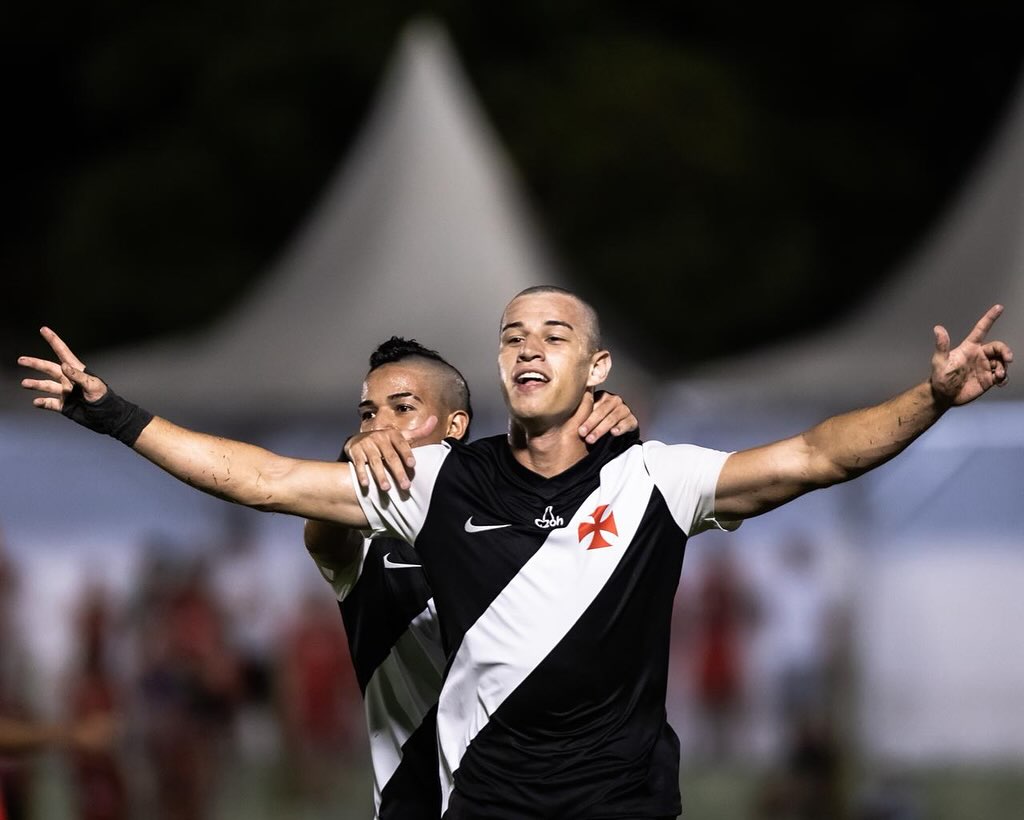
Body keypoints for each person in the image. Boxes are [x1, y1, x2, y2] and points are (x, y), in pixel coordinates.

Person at [18, 287, 1012, 819]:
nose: (529, 346)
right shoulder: (436, 484)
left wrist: (929, 398)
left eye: (554, 333)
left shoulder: (653, 476)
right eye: (512, 335)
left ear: (596, 365)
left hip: (625, 803)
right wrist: (114, 414)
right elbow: (265, 480)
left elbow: (816, 455)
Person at [303, 335, 638, 818]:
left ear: (455, 426)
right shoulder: (366, 543)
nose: (380, 427)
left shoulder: (514, 516)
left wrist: (605, 419)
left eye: (403, 408)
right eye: (368, 414)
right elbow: (321, 536)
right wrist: (344, 462)